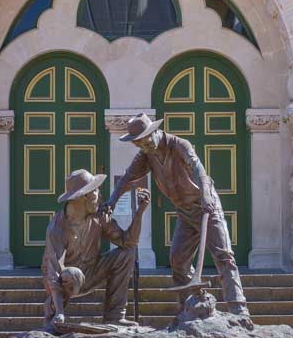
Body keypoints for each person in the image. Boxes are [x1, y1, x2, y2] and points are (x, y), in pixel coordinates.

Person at [106, 113, 249, 316]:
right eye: (138, 145)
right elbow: (127, 179)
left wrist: (206, 195)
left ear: (154, 132)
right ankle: (190, 305)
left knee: (223, 255)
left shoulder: (179, 144)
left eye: (145, 142)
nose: (143, 147)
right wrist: (111, 201)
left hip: (206, 207)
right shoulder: (146, 155)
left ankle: (239, 310)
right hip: (185, 212)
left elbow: (199, 170)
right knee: (178, 261)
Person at [41, 168, 150, 330]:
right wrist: (59, 312)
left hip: (92, 271)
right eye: (95, 191)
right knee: (71, 274)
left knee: (127, 253)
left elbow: (128, 242)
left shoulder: (99, 216)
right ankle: (52, 315)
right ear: (84, 196)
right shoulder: (57, 227)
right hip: (66, 281)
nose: (99, 195)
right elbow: (53, 272)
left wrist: (140, 213)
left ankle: (115, 316)